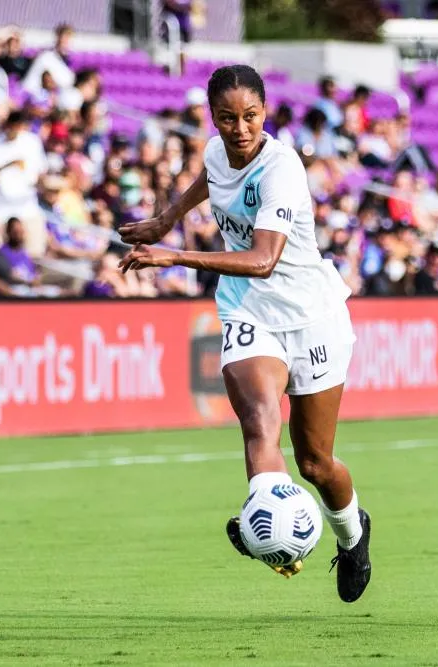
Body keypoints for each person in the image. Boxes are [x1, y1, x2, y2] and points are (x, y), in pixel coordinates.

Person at [116, 64, 372, 601]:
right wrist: (166, 218)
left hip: (312, 318)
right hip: (248, 312)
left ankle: (353, 538)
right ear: (214, 117)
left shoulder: (282, 168)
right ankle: (268, 524)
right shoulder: (215, 150)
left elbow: (262, 260)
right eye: (228, 118)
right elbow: (211, 178)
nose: (239, 128)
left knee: (315, 463)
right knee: (259, 418)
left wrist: (174, 254)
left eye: (250, 116)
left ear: (265, 113)